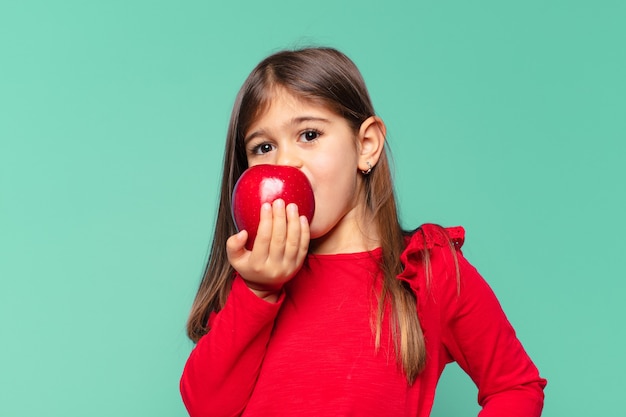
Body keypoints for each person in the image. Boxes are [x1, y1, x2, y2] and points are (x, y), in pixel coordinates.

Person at [180, 47, 547, 417]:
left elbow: (515, 386)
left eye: (309, 134)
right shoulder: (251, 280)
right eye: (264, 147)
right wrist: (258, 290)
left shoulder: (426, 271)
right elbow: (207, 407)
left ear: (366, 145)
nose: (284, 162)